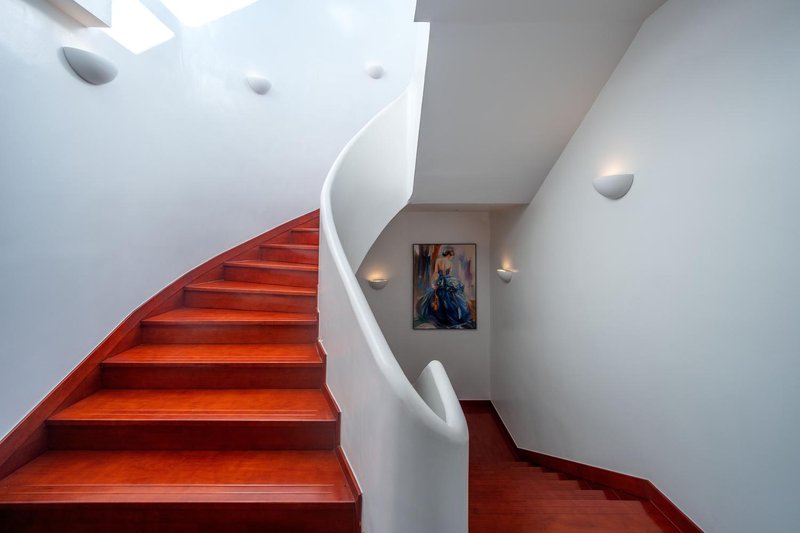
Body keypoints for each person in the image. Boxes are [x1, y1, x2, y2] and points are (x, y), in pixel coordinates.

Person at [416, 246, 474, 329]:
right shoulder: (450, 263)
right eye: (452, 256)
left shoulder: (438, 260)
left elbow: (435, 273)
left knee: (438, 295)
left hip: (440, 280)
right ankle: (453, 317)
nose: (452, 258)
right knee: (453, 297)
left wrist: (433, 282)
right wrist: (450, 281)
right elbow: (449, 274)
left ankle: (441, 317)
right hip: (448, 280)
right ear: (449, 255)